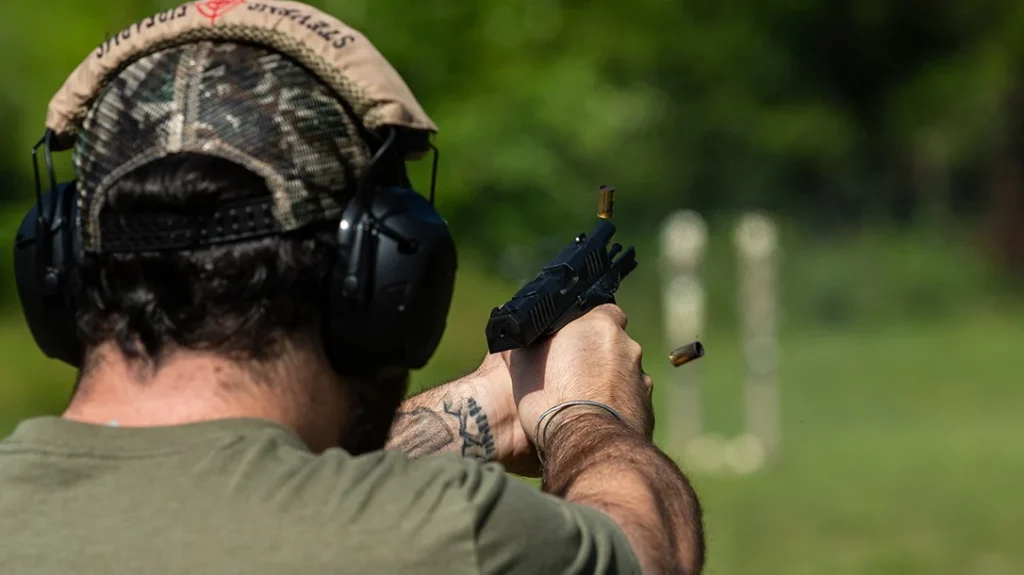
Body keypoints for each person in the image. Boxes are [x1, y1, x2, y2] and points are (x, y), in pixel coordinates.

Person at [0, 8, 704, 575]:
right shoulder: (458, 537)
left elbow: (201, 494)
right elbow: (649, 550)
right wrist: (590, 416)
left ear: (56, 269)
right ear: (382, 282)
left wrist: (490, 411)